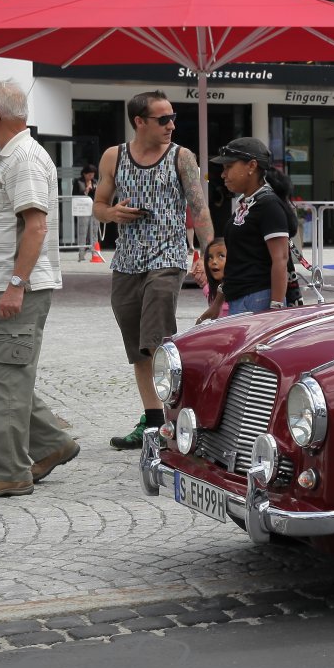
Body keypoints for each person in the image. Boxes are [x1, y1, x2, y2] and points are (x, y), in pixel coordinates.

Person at [0, 80, 79, 498]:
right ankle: (52, 444)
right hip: (2, 285)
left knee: (5, 377)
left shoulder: (23, 158)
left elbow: (36, 227)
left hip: (16, 289)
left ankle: (10, 471)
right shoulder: (13, 156)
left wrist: (15, 285)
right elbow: (10, 227)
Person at [93, 91, 212, 450]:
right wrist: (112, 213)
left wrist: (209, 255)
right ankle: (153, 420)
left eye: (173, 117)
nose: (171, 125)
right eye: (163, 119)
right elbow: (99, 205)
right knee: (137, 349)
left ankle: (175, 420)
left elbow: (199, 210)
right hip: (126, 262)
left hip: (168, 258)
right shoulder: (114, 156)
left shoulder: (181, 157)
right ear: (139, 122)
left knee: (157, 340)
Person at [210, 137, 293, 315]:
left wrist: (275, 309)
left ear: (252, 166)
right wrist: (217, 303)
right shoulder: (247, 204)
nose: (223, 174)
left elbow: (281, 259)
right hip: (241, 299)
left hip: (258, 299)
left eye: (228, 167)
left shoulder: (269, 205)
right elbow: (237, 261)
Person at [195, 237, 228, 324]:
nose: (214, 261)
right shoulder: (208, 289)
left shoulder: (241, 292)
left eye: (221, 256)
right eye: (210, 257)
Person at [71, 163, 99, 258]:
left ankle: (95, 253)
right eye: (89, 174)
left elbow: (98, 195)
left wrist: (94, 190)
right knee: (83, 230)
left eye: (93, 174)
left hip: (94, 208)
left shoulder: (95, 182)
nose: (91, 176)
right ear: (84, 174)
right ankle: (81, 252)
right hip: (83, 209)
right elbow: (74, 194)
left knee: (94, 230)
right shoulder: (78, 181)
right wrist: (86, 191)